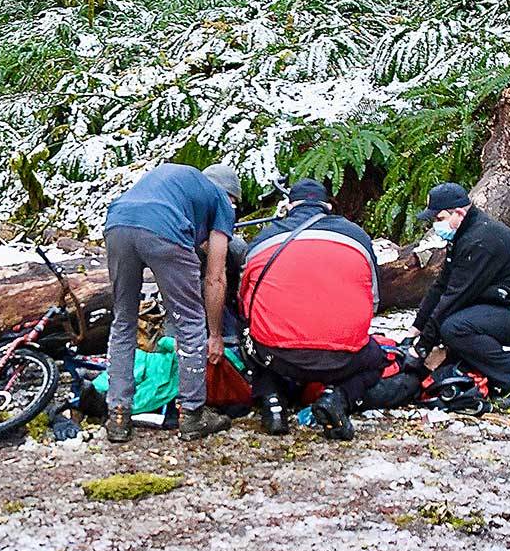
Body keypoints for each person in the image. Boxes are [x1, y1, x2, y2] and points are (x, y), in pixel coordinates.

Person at [102, 162, 242, 442]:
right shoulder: (221, 202)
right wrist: (215, 334)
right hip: (163, 228)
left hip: (117, 223)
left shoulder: (182, 186)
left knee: (124, 321)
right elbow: (215, 278)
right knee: (190, 322)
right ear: (231, 197)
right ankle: (192, 415)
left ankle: (118, 415)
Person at [238, 179, 385, 440]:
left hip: (278, 357)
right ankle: (337, 398)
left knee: (249, 338)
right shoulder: (357, 237)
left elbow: (246, 306)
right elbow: (373, 300)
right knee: (375, 358)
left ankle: (272, 402)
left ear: (290, 205)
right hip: (343, 359)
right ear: (328, 205)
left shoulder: (264, 239)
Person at [411, 182, 510, 410]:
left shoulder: (480, 240)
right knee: (450, 323)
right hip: (505, 304)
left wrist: (423, 346)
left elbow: (454, 297)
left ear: (459, 212)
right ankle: (477, 371)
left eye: (440, 219)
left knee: (455, 328)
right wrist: (416, 329)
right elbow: (441, 287)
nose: (436, 225)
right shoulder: (465, 234)